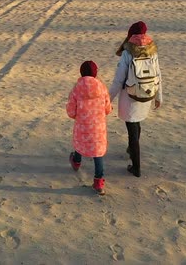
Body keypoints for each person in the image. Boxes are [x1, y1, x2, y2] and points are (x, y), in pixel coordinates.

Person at [109, 21, 162, 177]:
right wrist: (158, 96)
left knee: (132, 128)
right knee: (137, 124)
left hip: (130, 95)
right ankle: (131, 150)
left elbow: (119, 79)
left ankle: (136, 166)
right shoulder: (152, 51)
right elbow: (158, 74)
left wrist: (108, 98)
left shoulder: (128, 52)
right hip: (146, 93)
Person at [66, 60, 112, 195]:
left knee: (81, 141)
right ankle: (99, 180)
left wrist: (78, 116)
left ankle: (76, 161)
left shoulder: (76, 88)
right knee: (97, 152)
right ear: (95, 73)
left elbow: (71, 111)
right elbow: (107, 108)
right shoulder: (102, 87)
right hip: (98, 126)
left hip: (82, 124)